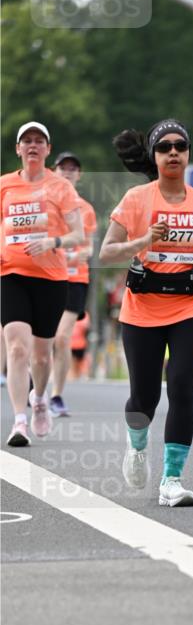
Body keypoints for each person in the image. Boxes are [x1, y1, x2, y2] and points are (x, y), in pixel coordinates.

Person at [99, 118, 193, 506]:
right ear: (155, 156)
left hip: (191, 307)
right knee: (143, 398)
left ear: (189, 153)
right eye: (164, 147)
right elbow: (107, 252)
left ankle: (171, 480)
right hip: (142, 309)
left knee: (181, 388)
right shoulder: (136, 199)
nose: (173, 152)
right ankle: (137, 444)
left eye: (180, 146)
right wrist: (144, 240)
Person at [1, 121, 83, 447]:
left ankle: (39, 399)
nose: (32, 146)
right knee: (17, 348)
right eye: (27, 141)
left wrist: (53, 242)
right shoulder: (4, 185)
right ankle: (19, 421)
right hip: (11, 275)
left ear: (47, 150)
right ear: (18, 149)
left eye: (39, 141)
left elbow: (78, 234)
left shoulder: (61, 187)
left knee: (42, 356)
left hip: (50, 278)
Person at [49, 151, 97, 417]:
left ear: (79, 175)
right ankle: (37, 386)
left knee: (62, 337)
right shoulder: (44, 203)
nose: (68, 172)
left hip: (74, 278)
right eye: (63, 167)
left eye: (73, 168)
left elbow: (89, 247)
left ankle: (56, 395)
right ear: (54, 171)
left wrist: (80, 253)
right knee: (41, 339)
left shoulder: (86, 209)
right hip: (45, 276)